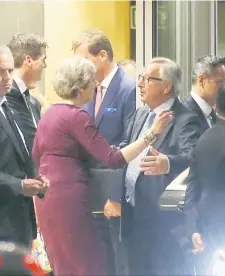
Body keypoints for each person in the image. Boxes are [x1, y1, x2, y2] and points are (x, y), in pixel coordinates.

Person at [32, 56, 172, 276]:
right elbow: (112, 159)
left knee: (63, 263)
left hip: (46, 199)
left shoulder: (48, 114)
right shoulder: (77, 117)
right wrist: (151, 135)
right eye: (92, 82)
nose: (96, 86)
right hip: (70, 199)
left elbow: (36, 157)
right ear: (80, 88)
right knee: (87, 263)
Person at [118, 57, 202, 275]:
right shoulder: (140, 114)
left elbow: (194, 158)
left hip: (163, 223)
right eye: (141, 78)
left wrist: (168, 163)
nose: (140, 83)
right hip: (132, 215)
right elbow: (126, 150)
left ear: (167, 86)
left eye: (147, 79)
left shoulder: (185, 119)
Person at [72, 28, 136, 275]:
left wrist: (116, 194)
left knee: (120, 262)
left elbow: (129, 144)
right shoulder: (88, 90)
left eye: (84, 59)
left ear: (101, 55)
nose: (80, 67)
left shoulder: (128, 89)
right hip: (90, 193)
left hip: (114, 194)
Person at [0, 45, 49, 248]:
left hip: (19, 219)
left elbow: (20, 153)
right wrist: (20, 186)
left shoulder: (9, 105)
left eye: (10, 71)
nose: (7, 77)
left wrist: (35, 177)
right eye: (0, 71)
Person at [185, 87, 225, 275]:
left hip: (207, 228)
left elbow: (192, 189)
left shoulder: (204, 138)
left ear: (216, 107)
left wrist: (193, 229)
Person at [6, 33, 48, 152]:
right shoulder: (3, 98)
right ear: (29, 60)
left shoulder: (34, 102)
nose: (45, 66)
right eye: (43, 60)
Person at [184, 55, 225, 132]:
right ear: (201, 80)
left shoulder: (213, 115)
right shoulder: (185, 116)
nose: (224, 87)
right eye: (220, 82)